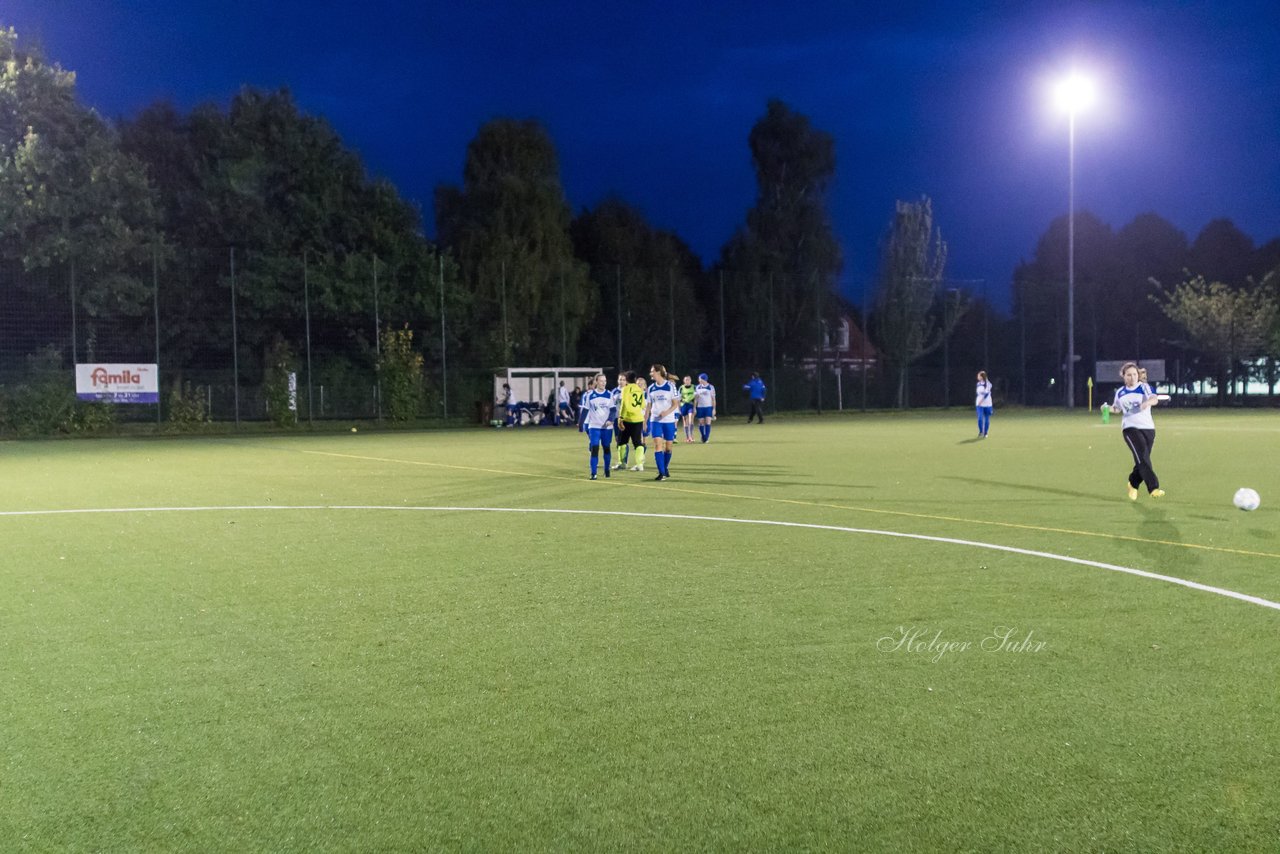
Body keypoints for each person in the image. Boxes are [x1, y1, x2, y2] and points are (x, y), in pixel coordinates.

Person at [1109, 361, 1164, 500]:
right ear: (1123, 376)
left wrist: (1147, 402)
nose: (1132, 377)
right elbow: (1117, 408)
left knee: (1142, 458)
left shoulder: (1144, 387)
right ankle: (1153, 488)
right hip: (1130, 428)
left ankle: (1133, 483)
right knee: (1142, 457)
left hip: (1148, 428)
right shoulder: (1120, 393)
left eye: (1134, 374)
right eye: (1129, 375)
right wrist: (1108, 409)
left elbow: (1154, 399)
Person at [644, 364, 680, 481]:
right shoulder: (651, 388)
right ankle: (661, 472)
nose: (650, 373)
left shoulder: (670, 386)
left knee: (668, 447)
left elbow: (675, 404)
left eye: (652, 371)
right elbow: (648, 406)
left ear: (658, 372)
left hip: (668, 420)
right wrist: (645, 421)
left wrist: (666, 412)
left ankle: (664, 468)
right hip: (655, 420)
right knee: (657, 445)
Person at [577, 373, 616, 480]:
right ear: (596, 382)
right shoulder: (590, 395)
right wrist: (580, 424)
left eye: (605, 381)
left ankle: (607, 469)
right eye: (601, 381)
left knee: (606, 448)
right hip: (594, 426)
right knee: (594, 448)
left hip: (606, 428)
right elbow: (585, 411)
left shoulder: (609, 394)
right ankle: (593, 473)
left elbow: (613, 410)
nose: (603, 383)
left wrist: (610, 420)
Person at [617, 371, 648, 472]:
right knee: (638, 443)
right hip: (638, 418)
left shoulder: (625, 389)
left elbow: (624, 404)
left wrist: (620, 418)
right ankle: (639, 465)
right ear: (635, 379)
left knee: (622, 442)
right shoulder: (639, 389)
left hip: (628, 419)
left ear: (626, 380)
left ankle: (622, 463)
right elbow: (643, 405)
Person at [611, 372, 629, 469]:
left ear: (626, 381)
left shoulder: (629, 390)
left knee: (624, 440)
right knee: (618, 440)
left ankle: (624, 462)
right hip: (616, 419)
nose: (621, 381)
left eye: (623, 379)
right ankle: (620, 461)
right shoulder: (614, 391)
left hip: (626, 419)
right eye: (620, 379)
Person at [694, 373, 717, 442]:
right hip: (700, 407)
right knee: (701, 423)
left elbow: (713, 399)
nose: (699, 380)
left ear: (704, 379)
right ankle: (703, 436)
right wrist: (694, 407)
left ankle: (706, 438)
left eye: (700, 379)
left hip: (708, 407)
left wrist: (714, 409)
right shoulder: (697, 387)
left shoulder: (711, 387)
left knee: (708, 422)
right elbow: (696, 399)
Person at [678, 375, 697, 442]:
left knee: (690, 419)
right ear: (684, 381)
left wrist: (695, 407)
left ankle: (691, 436)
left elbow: (695, 398)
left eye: (688, 379)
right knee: (685, 421)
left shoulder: (693, 387)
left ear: (690, 380)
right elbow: (678, 399)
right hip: (683, 405)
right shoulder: (681, 388)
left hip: (690, 405)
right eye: (686, 380)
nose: (687, 381)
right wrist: (679, 409)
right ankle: (687, 437)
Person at [975, 371, 993, 438]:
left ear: (982, 377)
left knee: (987, 418)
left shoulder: (988, 384)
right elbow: (978, 393)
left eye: (979, 376)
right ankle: (981, 432)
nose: (977, 377)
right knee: (980, 418)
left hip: (987, 404)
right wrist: (979, 402)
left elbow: (986, 394)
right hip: (979, 405)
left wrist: (981, 401)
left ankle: (986, 433)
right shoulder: (978, 384)